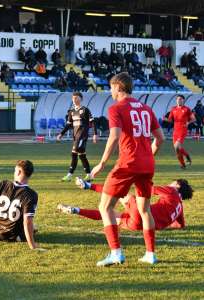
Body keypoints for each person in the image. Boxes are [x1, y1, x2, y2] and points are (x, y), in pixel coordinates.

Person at [90, 72, 165, 266]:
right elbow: (160, 139)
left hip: (127, 164)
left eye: (111, 87)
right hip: (147, 164)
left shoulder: (116, 108)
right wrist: (148, 156)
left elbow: (114, 136)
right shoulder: (147, 108)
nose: (110, 91)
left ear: (118, 87)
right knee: (144, 210)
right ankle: (150, 254)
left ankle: (116, 252)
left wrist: (102, 163)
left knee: (105, 206)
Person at [58, 177, 193, 232]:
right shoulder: (180, 208)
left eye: (173, 182)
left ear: (177, 185)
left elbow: (149, 189)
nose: (170, 184)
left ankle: (88, 185)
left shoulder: (172, 191)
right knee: (108, 215)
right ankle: (76, 210)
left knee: (115, 192)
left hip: (141, 213)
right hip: (138, 226)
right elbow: (180, 225)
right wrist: (165, 220)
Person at [57, 92, 97, 182]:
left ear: (81, 99)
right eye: (73, 98)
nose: (74, 100)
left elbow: (93, 122)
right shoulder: (71, 112)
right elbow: (68, 125)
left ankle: (69, 175)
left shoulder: (85, 110)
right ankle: (89, 175)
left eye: (76, 98)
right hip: (75, 136)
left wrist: (95, 134)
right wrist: (61, 134)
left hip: (82, 136)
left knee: (74, 153)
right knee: (82, 155)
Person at [165, 95, 196, 169]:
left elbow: (194, 119)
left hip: (183, 130)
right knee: (177, 150)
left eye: (181, 99)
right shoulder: (173, 109)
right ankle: (183, 165)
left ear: (183, 100)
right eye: (178, 99)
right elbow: (170, 120)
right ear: (176, 101)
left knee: (177, 146)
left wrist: (188, 122)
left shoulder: (187, 109)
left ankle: (187, 156)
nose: (179, 100)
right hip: (175, 131)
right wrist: (165, 119)